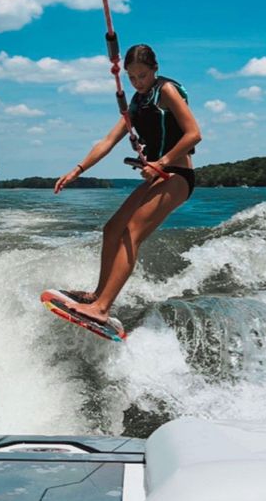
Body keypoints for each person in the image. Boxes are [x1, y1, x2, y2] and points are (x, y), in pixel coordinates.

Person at [52, 44, 202, 327]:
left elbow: (194, 134)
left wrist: (161, 162)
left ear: (154, 69)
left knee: (130, 233)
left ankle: (102, 308)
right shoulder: (135, 101)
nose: (137, 83)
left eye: (142, 76)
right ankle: (97, 295)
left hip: (178, 176)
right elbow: (108, 141)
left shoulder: (166, 91)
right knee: (112, 229)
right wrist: (78, 169)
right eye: (132, 77)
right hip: (157, 175)